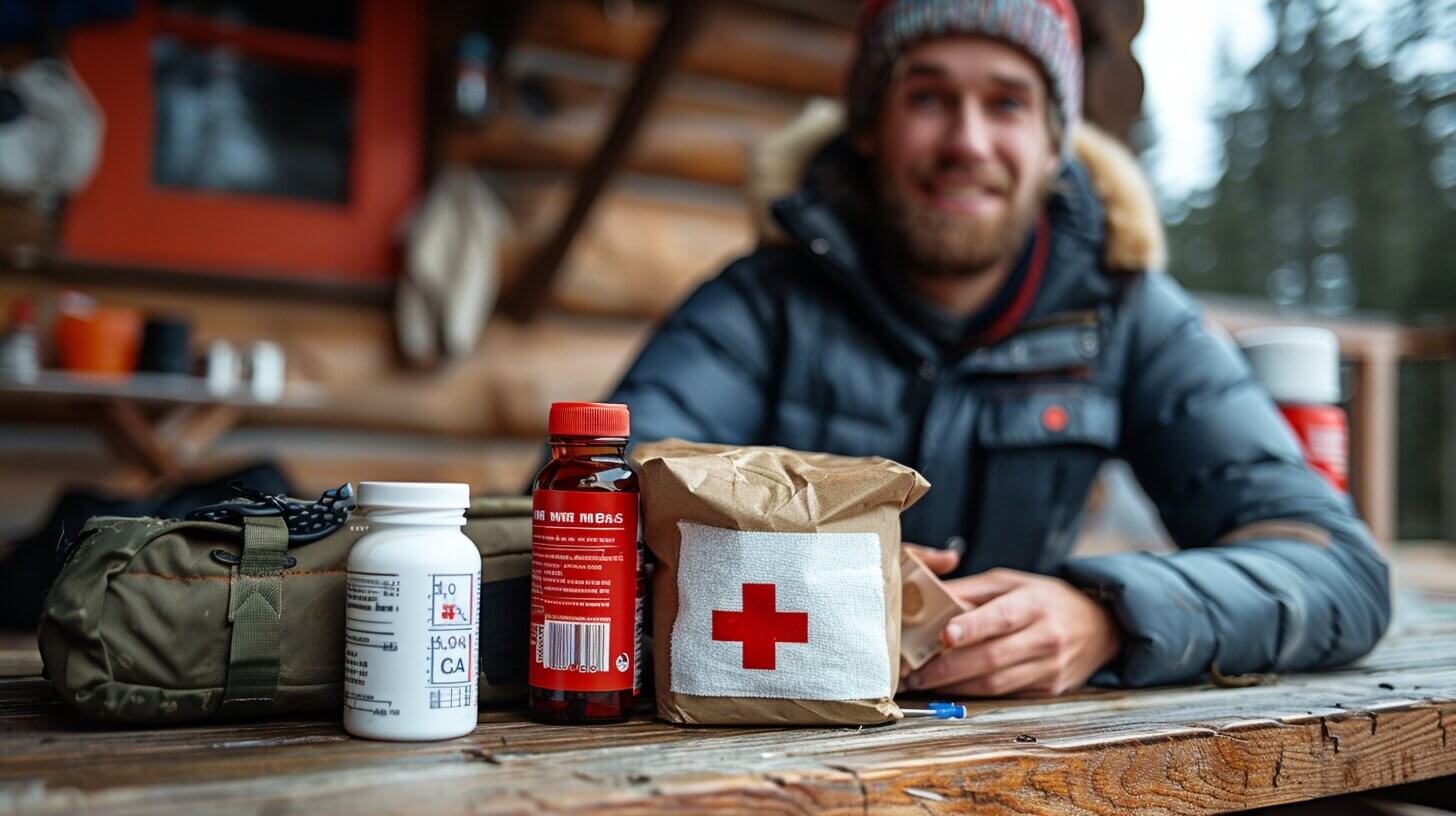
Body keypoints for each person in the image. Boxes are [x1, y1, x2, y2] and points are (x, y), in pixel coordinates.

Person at [607, 0, 1390, 696]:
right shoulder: (759, 301)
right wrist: (818, 575)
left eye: (1007, 103)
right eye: (928, 97)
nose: (967, 141)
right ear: (871, 129)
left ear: (1056, 146)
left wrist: (1109, 614)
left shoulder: (1129, 314)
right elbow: (584, 516)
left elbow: (1340, 570)